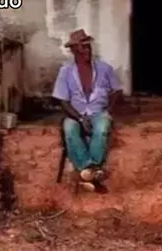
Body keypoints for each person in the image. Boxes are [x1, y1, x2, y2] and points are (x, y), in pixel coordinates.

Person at [52, 29, 123, 192]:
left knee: (102, 127)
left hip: (98, 112)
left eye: (88, 46)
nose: (87, 50)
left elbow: (116, 91)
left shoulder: (104, 68)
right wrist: (80, 118)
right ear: (73, 51)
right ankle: (92, 170)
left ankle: (86, 172)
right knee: (69, 129)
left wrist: (108, 110)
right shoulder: (65, 71)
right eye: (82, 47)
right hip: (75, 114)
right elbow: (62, 101)